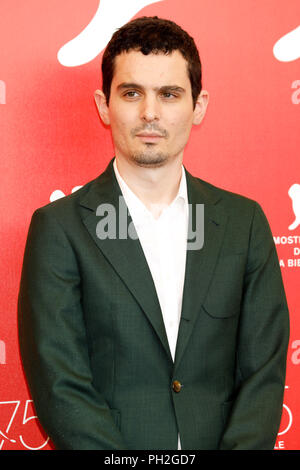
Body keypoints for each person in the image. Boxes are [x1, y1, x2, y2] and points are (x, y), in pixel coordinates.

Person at [18, 16, 289, 450]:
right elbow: (60, 385)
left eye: (169, 94)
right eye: (131, 93)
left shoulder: (244, 223)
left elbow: (263, 373)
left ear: (198, 106)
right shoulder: (60, 229)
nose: (150, 112)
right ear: (104, 105)